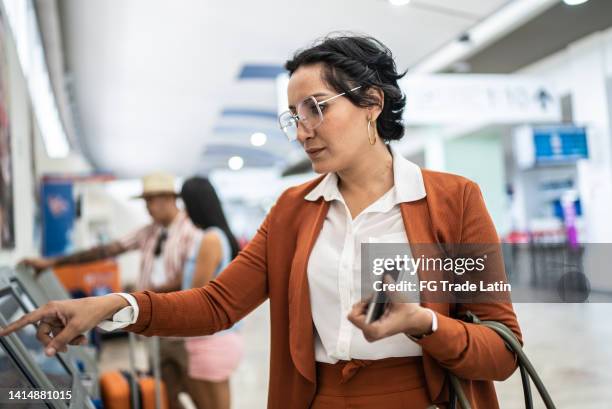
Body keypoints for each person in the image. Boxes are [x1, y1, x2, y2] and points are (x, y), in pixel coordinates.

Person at [1, 34, 522, 409]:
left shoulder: (451, 201)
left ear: (372, 104)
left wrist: (424, 322)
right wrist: (118, 305)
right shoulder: (296, 210)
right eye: (294, 116)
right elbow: (217, 304)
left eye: (316, 108)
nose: (302, 131)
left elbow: (500, 351)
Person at [20, 172, 203, 409]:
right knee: (166, 393)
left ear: (168, 199)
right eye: (146, 201)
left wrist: (138, 297)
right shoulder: (149, 232)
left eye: (151, 201)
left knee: (200, 393)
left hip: (187, 334)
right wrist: (53, 263)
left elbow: (191, 281)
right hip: (157, 329)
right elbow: (105, 251)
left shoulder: (194, 234)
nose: (148, 208)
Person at [180, 176, 243, 409]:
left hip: (210, 341)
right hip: (220, 337)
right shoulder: (224, 236)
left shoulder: (210, 239)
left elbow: (196, 294)